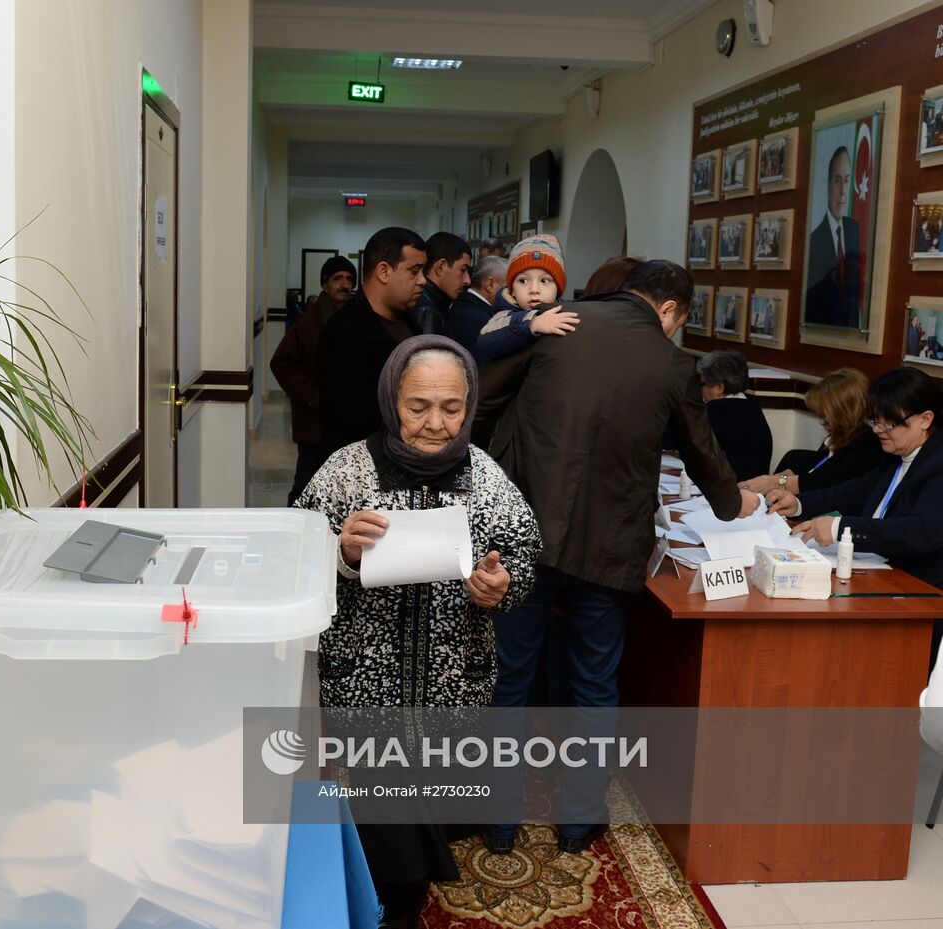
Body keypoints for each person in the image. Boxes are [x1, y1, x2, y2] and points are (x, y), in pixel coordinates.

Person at [473, 259, 758, 855]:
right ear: (669, 310)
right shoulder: (674, 364)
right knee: (594, 684)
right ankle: (578, 823)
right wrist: (736, 504)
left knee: (510, 679)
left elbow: (480, 399)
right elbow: (705, 458)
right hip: (608, 548)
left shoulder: (555, 324)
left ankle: (499, 822)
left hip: (523, 534)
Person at [294, 335, 542, 928]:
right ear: (391, 401)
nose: (436, 424)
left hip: (450, 684)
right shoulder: (348, 471)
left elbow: (525, 556)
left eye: (451, 408)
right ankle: (383, 903)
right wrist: (341, 555)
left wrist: (501, 585)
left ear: (470, 405)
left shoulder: (485, 478)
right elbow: (295, 552)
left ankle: (397, 895)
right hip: (363, 681)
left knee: (427, 804)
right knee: (377, 814)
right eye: (418, 407)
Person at [767, 367, 943, 668]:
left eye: (890, 422)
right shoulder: (896, 455)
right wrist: (797, 504)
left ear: (925, 420)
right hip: (874, 577)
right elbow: (852, 493)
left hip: (917, 595)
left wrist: (839, 527)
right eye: (876, 419)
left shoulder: (938, 465)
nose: (878, 429)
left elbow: (921, 531)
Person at [316, 227, 427, 458]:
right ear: (384, 272)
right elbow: (349, 414)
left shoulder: (410, 322)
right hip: (363, 466)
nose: (422, 281)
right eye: (414, 271)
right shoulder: (343, 331)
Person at [270, 255, 357, 504]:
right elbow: (281, 364)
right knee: (306, 484)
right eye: (337, 278)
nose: (344, 284)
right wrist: (312, 398)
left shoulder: (355, 318)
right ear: (324, 285)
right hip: (314, 424)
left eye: (349, 279)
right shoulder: (308, 322)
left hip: (345, 421)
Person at [741, 368, 887, 496]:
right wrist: (784, 477)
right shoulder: (838, 438)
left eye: (826, 416)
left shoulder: (867, 446)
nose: (822, 422)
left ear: (844, 412)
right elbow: (812, 470)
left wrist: (776, 482)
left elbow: (823, 482)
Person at [468, 234, 580, 367]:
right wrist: (532, 323)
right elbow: (485, 343)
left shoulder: (567, 315)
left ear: (558, 288)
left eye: (544, 281)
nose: (534, 289)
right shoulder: (503, 316)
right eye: (523, 281)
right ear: (512, 290)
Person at [804, 146, 863, 329]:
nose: (843, 192)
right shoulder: (813, 242)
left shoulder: (854, 229)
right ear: (828, 184)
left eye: (846, 180)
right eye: (838, 180)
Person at [697, 350, 773, 480]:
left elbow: (669, 439)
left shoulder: (715, 411)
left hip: (728, 489)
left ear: (719, 388)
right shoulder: (753, 408)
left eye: (702, 384)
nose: (701, 390)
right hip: (755, 489)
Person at [412, 231, 469, 336]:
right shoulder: (427, 310)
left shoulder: (435, 302)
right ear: (441, 267)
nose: (467, 280)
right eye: (463, 270)